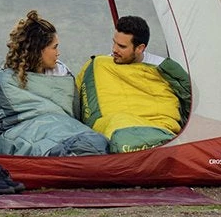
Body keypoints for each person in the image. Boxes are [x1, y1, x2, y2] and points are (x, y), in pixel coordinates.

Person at [0, 10, 108, 157]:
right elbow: (2, 122)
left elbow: (71, 115)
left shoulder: (62, 75)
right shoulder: (5, 80)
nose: (58, 53)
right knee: (66, 148)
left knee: (95, 142)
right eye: (54, 47)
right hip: (24, 129)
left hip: (63, 126)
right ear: (38, 50)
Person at [77, 14, 192, 154]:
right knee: (119, 125)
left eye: (121, 46)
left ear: (140, 48)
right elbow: (76, 99)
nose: (114, 50)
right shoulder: (99, 65)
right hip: (116, 125)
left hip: (159, 126)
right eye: (114, 42)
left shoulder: (164, 69)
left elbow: (189, 101)